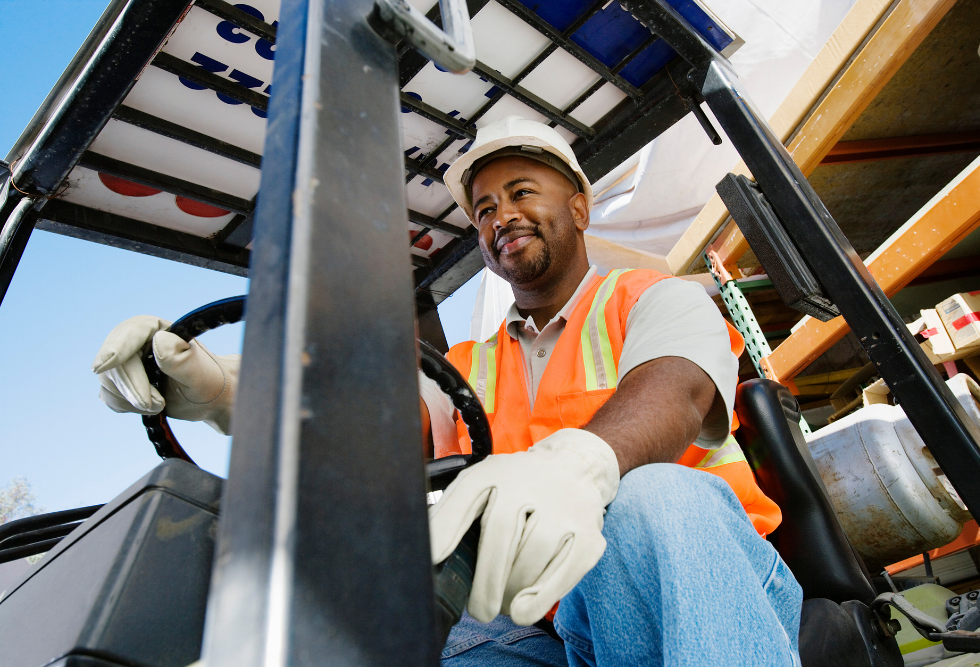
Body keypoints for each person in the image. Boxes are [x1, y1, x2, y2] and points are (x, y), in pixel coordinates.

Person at [92, 116, 802, 666]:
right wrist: (221, 389)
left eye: (522, 192)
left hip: (699, 587)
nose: (501, 217)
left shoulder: (654, 298)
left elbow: (675, 391)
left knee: (653, 498)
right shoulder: (462, 365)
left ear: (581, 208)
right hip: (540, 621)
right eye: (486, 209)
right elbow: (359, 421)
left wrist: (579, 467)